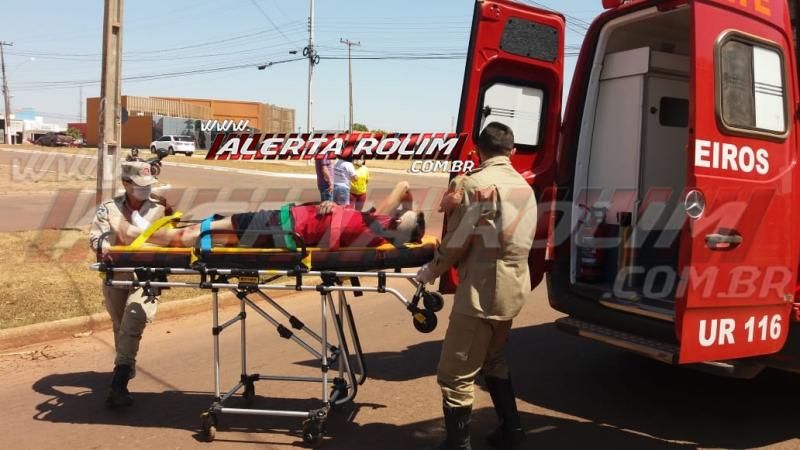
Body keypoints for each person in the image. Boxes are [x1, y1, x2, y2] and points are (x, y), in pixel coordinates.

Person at [415, 122, 538, 450]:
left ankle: (458, 445)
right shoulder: (525, 187)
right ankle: (512, 431)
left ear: (477, 151)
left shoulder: (474, 184)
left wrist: (430, 270)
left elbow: (457, 241)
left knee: (454, 374)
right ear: (512, 153)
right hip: (512, 291)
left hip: (482, 294)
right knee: (492, 358)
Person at [105, 181, 424, 251]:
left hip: (280, 227)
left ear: (397, 225)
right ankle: (143, 229)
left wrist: (407, 211)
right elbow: (404, 192)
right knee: (213, 227)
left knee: (203, 234)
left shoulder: (378, 230)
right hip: (281, 222)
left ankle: (134, 233)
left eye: (399, 218)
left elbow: (403, 187)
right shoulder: (379, 227)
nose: (395, 214)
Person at [89, 160, 169, 408]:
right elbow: (95, 239)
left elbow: (169, 240)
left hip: (146, 278)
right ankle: (123, 367)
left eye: (148, 186)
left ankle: (119, 382)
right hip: (115, 277)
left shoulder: (159, 209)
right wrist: (107, 248)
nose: (144, 190)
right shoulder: (108, 209)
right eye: (139, 186)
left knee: (132, 324)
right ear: (126, 184)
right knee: (119, 326)